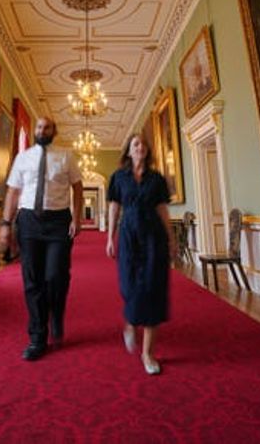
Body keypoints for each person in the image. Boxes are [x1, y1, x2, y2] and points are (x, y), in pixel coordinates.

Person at [0, 116, 83, 361]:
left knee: (55, 276)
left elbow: (78, 188)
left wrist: (76, 218)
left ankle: (56, 312)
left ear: (54, 131)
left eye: (47, 127)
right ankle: (37, 337)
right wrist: (5, 224)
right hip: (29, 221)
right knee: (32, 280)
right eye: (38, 126)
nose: (42, 130)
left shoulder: (66, 156)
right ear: (34, 130)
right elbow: (13, 191)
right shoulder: (23, 157)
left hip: (58, 222)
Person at [106, 133, 177, 375]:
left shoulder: (157, 179)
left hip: (153, 237)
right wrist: (110, 237)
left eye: (144, 144)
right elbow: (114, 207)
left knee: (153, 289)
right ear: (128, 150)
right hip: (128, 236)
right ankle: (130, 320)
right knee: (129, 287)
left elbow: (162, 209)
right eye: (136, 144)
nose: (140, 147)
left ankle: (148, 353)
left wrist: (171, 238)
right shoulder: (118, 177)